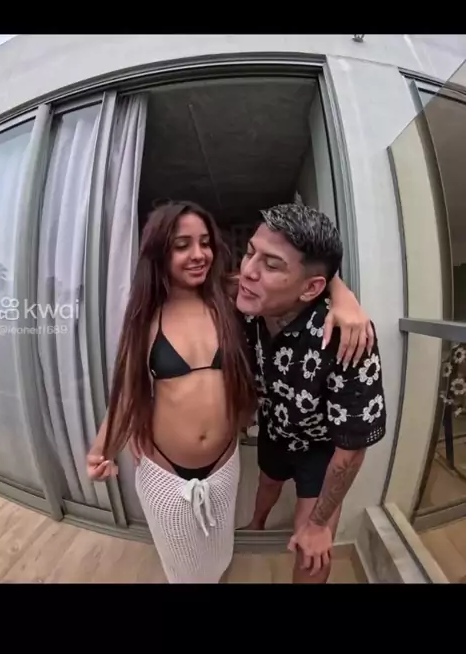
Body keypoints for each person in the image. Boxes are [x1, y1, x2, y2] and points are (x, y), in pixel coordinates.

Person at [86, 200, 374, 584]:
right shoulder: (157, 316)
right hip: (173, 467)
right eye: (182, 245)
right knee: (183, 563)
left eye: (205, 242)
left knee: (228, 552)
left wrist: (344, 297)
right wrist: (103, 446)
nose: (198, 254)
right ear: (158, 252)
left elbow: (305, 273)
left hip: (243, 462)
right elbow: (126, 390)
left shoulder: (233, 302)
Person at [236, 202, 386, 584]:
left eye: (272, 265)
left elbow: (351, 450)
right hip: (275, 426)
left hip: (321, 448)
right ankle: (257, 523)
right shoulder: (250, 301)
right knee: (268, 481)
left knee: (312, 554)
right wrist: (339, 286)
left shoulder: (346, 338)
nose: (248, 271)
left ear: (311, 288)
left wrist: (318, 525)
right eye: (250, 252)